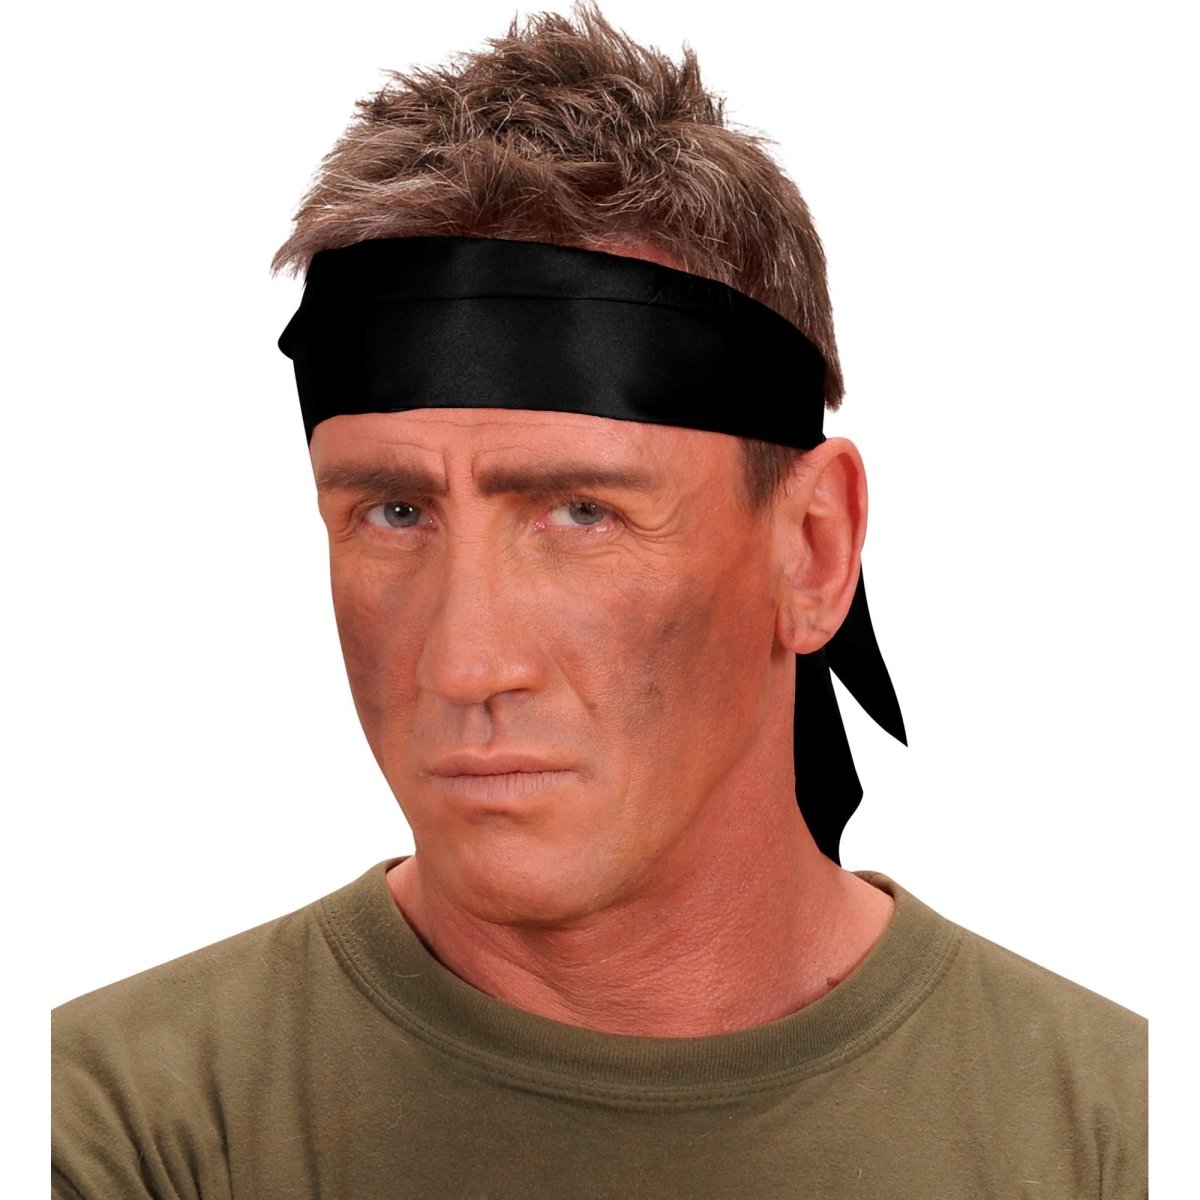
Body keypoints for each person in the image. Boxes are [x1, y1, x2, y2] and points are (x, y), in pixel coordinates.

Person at [51, 6, 1147, 1197]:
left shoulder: (1117, 1140)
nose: (466, 667)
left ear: (812, 552)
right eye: (395, 512)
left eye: (582, 512)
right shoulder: (119, 1133)